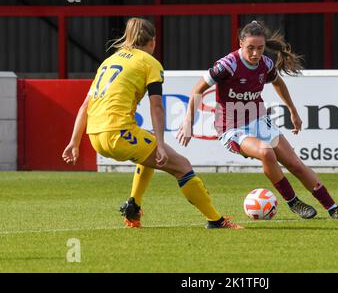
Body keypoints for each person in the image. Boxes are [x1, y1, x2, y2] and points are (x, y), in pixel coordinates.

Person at [62, 17, 243, 229]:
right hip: (119, 133)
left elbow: (85, 106)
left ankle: (133, 206)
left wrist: (74, 142)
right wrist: (160, 143)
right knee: (182, 167)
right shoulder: (150, 63)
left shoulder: (109, 62)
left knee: (146, 151)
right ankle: (216, 221)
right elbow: (156, 106)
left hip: (95, 136)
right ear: (153, 42)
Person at [177, 20, 338, 219]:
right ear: (240, 43)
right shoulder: (227, 65)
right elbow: (197, 89)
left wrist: (292, 110)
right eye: (250, 48)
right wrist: (188, 120)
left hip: (260, 121)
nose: (255, 54)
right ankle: (293, 202)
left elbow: (278, 83)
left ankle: (333, 208)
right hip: (232, 128)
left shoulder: (266, 64)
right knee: (266, 152)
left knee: (295, 165)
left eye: (259, 48)